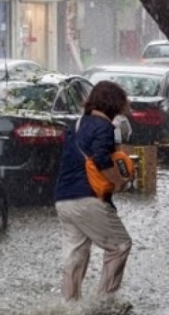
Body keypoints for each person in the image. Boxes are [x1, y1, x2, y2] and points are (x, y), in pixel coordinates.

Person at [53, 80, 134, 302]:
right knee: (120, 245)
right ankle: (105, 301)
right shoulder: (104, 127)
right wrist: (120, 182)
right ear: (114, 103)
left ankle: (69, 304)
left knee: (75, 254)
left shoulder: (76, 125)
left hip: (63, 199)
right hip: (88, 199)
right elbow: (100, 160)